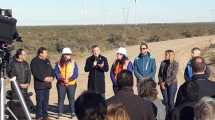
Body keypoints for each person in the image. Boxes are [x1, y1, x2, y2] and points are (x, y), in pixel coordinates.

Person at [54, 47, 79, 119]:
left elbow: (76, 73)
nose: (68, 55)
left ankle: (73, 113)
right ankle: (60, 113)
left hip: (71, 84)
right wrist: (61, 79)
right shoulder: (58, 63)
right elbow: (56, 72)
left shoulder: (73, 62)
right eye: (66, 54)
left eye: (69, 54)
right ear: (63, 55)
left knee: (71, 98)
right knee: (61, 98)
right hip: (61, 84)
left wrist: (69, 79)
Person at [31, 47, 54, 120]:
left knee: (45, 102)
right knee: (40, 102)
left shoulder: (47, 60)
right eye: (45, 53)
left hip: (47, 85)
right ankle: (39, 116)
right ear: (40, 54)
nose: (47, 54)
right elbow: (35, 73)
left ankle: (45, 116)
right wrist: (44, 78)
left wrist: (52, 77)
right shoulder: (34, 61)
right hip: (40, 86)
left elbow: (52, 70)